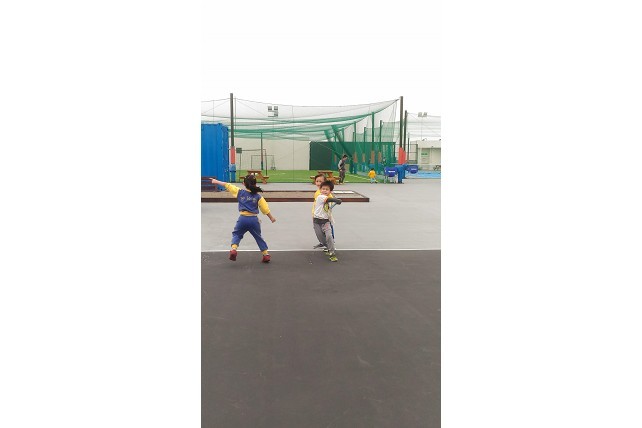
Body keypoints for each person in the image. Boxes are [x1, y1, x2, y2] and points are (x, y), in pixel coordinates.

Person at [210, 175, 276, 263]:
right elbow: (265, 209)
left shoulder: (239, 192)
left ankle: (234, 249)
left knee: (237, 234)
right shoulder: (258, 197)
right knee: (258, 237)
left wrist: (215, 181)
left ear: (244, 184)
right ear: (255, 184)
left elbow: (227, 185)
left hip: (242, 219)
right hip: (254, 220)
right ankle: (265, 254)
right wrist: (271, 217)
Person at [313, 180, 342, 262]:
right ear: (320, 190)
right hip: (317, 221)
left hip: (326, 221)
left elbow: (329, 203)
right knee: (321, 239)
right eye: (323, 189)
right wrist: (336, 200)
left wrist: (335, 200)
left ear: (330, 191)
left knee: (329, 236)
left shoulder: (329, 198)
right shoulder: (320, 197)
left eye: (327, 189)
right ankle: (328, 247)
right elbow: (328, 200)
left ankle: (332, 253)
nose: (324, 191)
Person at [312, 173, 334, 250]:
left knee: (328, 230)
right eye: (317, 181)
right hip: (317, 214)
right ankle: (324, 242)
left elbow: (329, 200)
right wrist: (313, 212)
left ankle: (331, 242)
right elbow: (316, 203)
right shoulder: (317, 192)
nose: (318, 183)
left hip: (325, 215)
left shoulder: (326, 193)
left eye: (320, 181)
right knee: (320, 231)